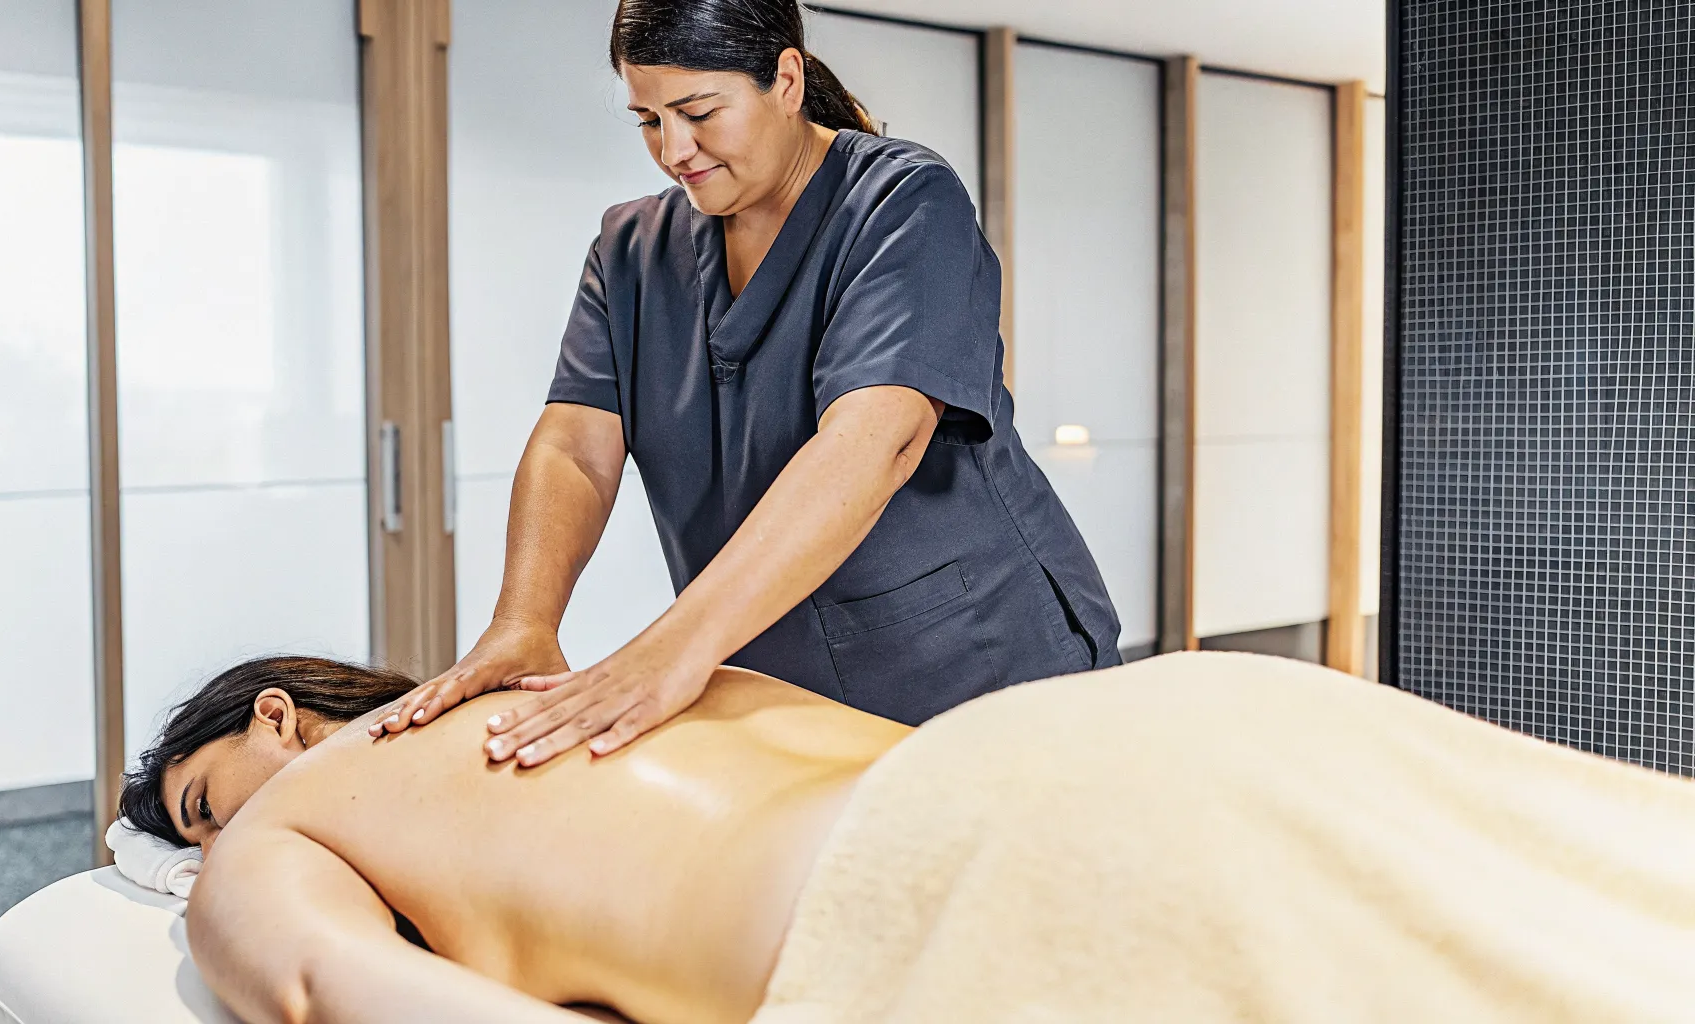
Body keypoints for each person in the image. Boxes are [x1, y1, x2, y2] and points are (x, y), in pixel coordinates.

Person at [124, 654, 1695, 1024]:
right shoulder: (600, 677)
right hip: (1163, 715)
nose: (209, 849)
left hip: (970, 886)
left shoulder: (289, 829)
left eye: (199, 807)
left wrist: (225, 877)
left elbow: (333, 994)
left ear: (280, 720)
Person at [379, 0, 1120, 768]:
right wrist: (523, 621)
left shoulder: (902, 202)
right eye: (648, 120)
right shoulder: (630, 249)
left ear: (786, 80)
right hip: (777, 686)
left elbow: (875, 444)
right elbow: (575, 448)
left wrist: (670, 651)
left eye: (700, 112)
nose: (674, 150)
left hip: (976, 665)